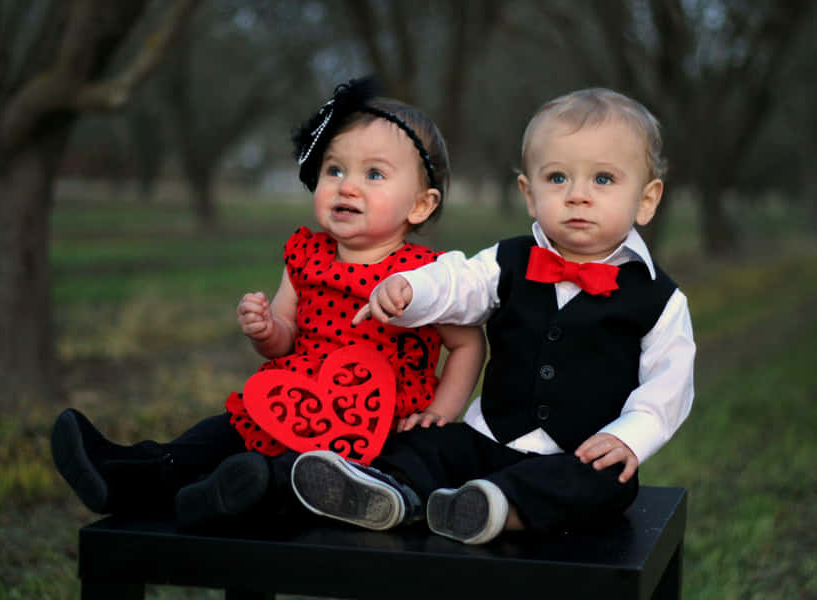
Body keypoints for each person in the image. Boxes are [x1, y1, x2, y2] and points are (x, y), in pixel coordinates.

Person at [50, 77, 486, 531]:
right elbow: (285, 339)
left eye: (373, 174)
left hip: (370, 425)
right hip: (292, 399)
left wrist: (441, 409)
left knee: (304, 473)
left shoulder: (425, 277)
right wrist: (266, 329)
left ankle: (241, 496)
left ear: (420, 205)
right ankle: (129, 474)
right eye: (334, 170)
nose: (347, 187)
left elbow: (467, 343)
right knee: (221, 433)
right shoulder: (305, 255)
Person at [290, 87, 695, 544]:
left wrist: (630, 437)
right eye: (558, 178)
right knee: (424, 441)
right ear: (528, 193)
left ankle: (493, 510)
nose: (578, 196)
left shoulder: (660, 299)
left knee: (605, 485)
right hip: (488, 439)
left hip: (578, 453)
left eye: (603, 180)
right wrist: (411, 289)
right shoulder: (509, 260)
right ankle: (387, 493)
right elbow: (457, 283)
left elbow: (670, 384)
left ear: (646, 199)